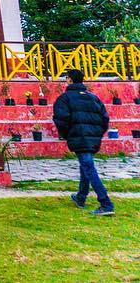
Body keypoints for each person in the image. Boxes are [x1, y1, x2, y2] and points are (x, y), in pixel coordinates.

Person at [53, 69, 114, 216]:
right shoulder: (93, 98)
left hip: (78, 136)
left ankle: (106, 203)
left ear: (69, 80)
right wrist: (97, 134)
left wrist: (67, 135)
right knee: (85, 165)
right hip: (92, 137)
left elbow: (61, 120)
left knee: (89, 168)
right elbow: (104, 118)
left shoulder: (64, 99)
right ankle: (81, 197)